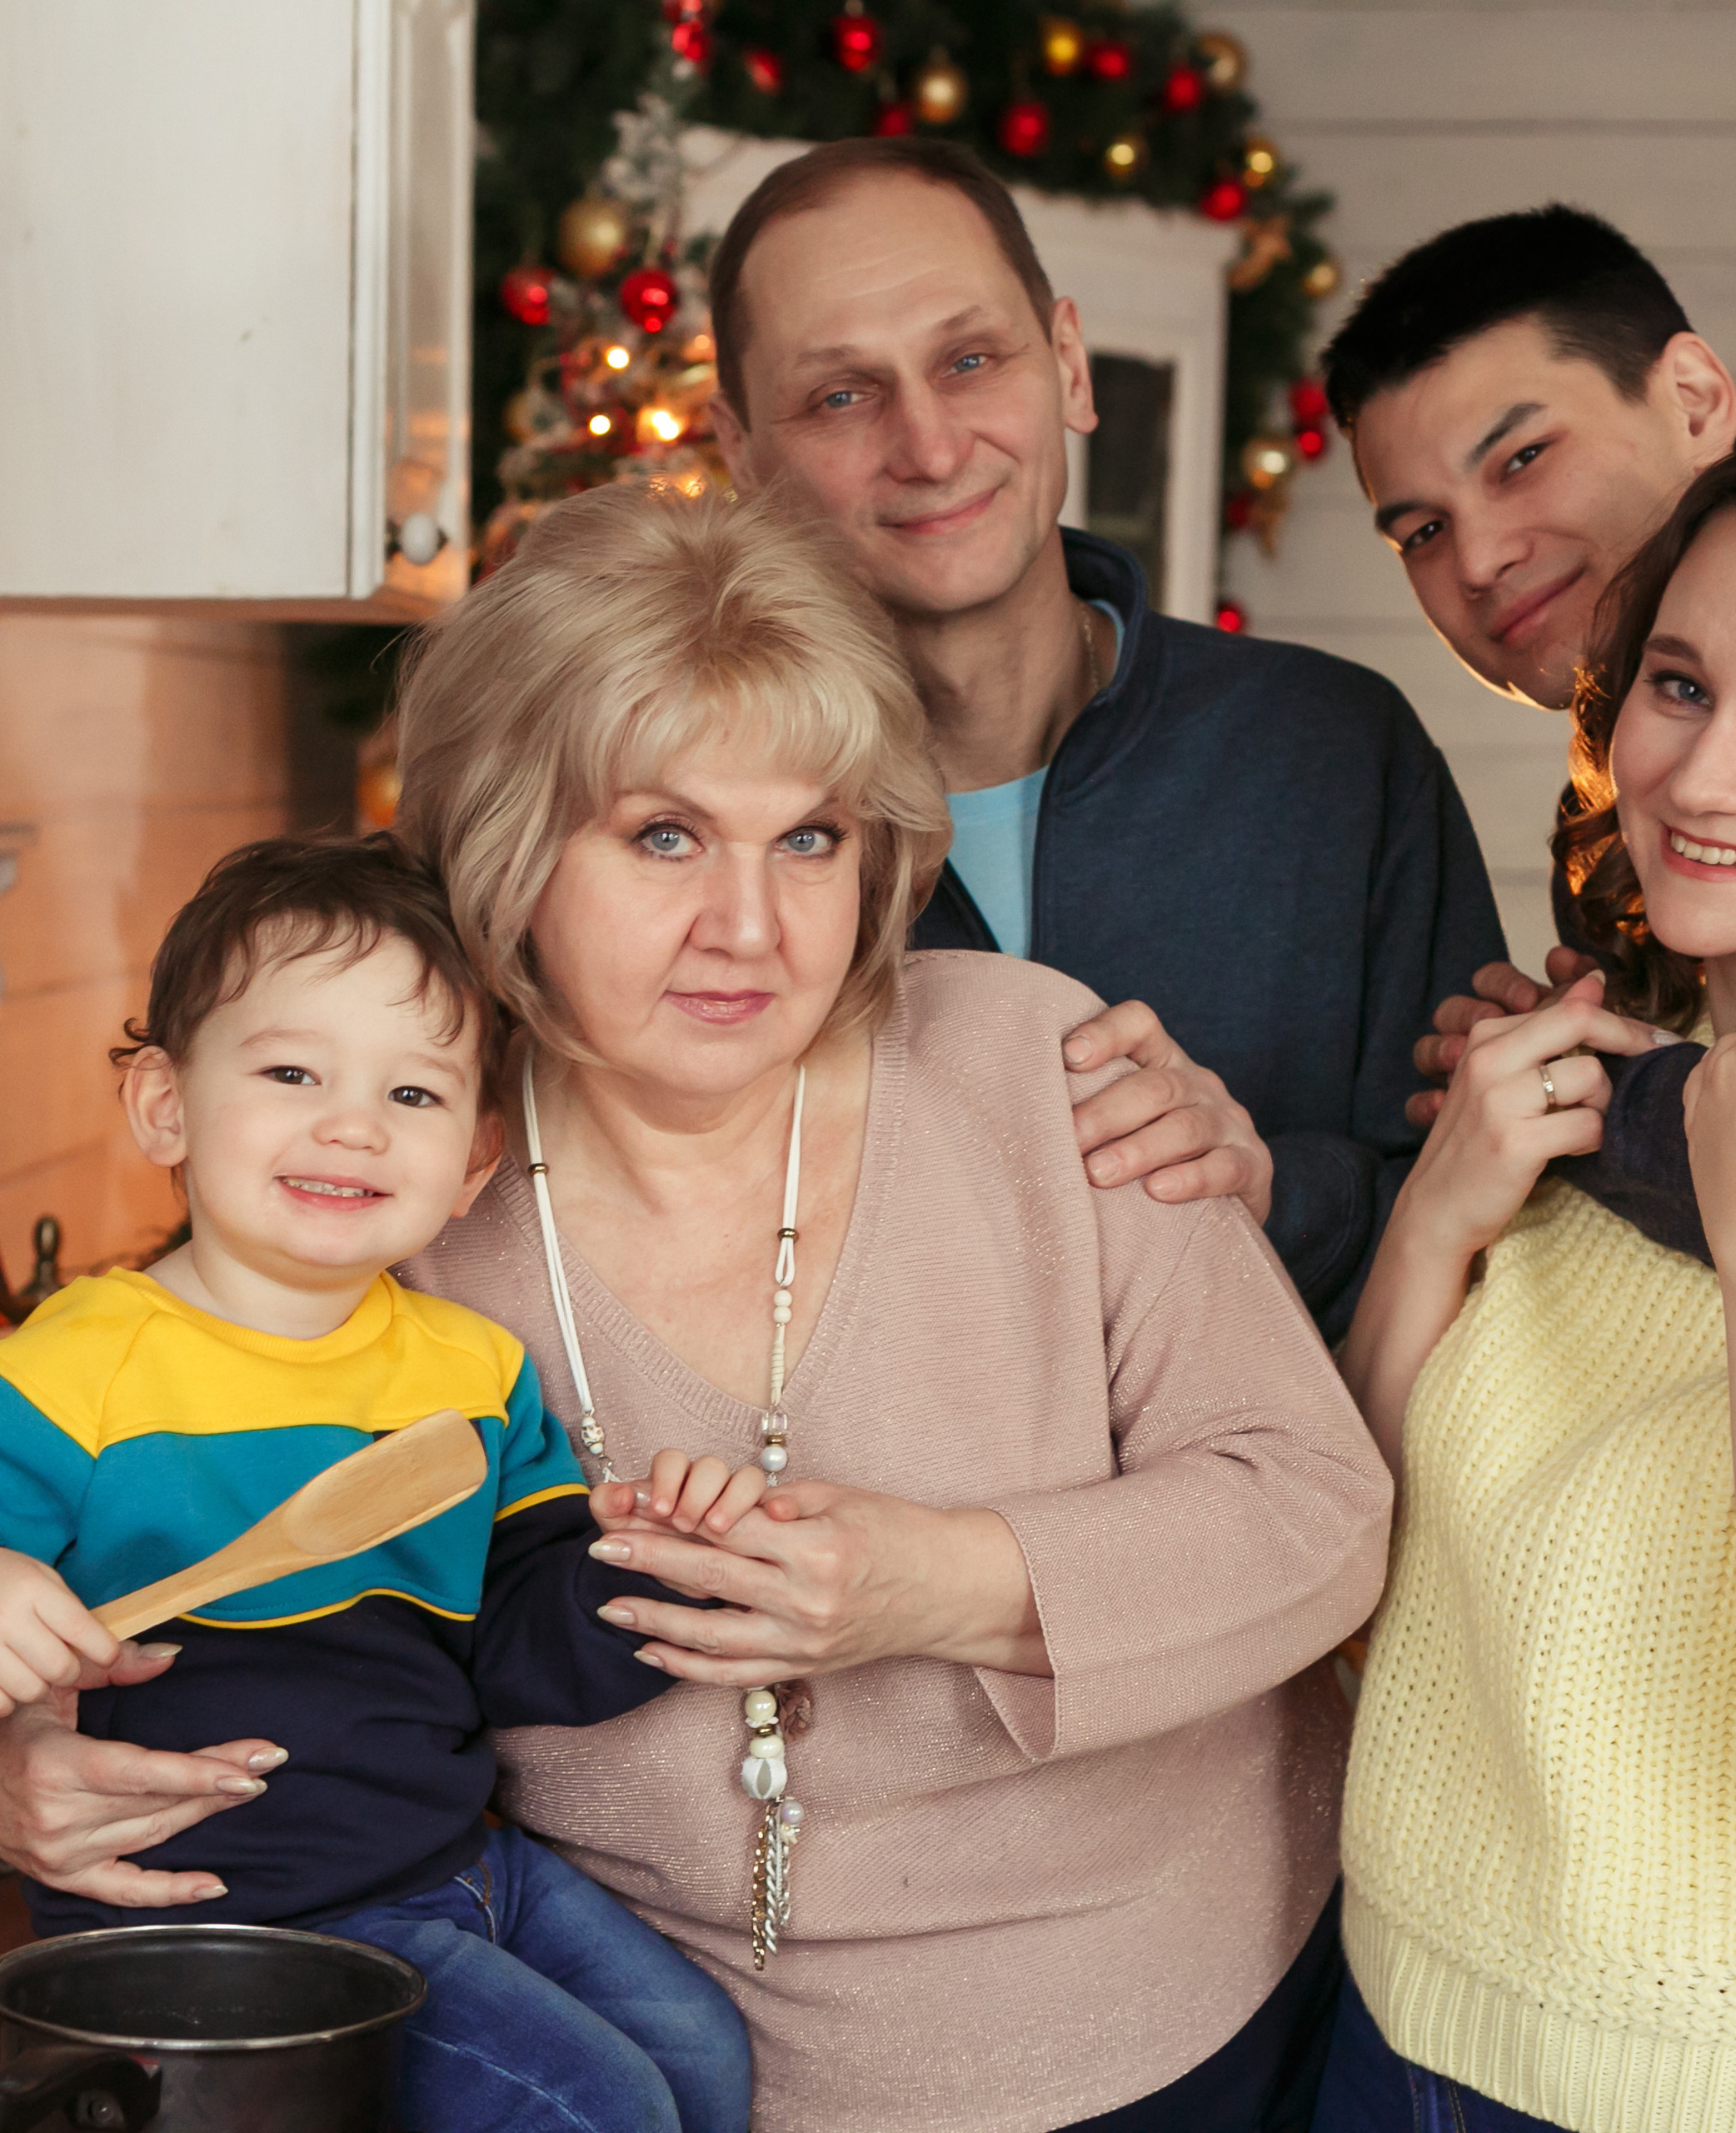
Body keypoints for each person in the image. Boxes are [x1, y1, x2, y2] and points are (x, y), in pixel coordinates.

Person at [0, 482, 1394, 2133]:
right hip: (619, 2048)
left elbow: (1317, 1509)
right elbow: (159, 1579)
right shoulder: (382, 1182)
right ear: (508, 847)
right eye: (662, 833)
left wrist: (938, 1579)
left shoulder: (1034, 1067)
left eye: (809, 836)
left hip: (1162, 2012)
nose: (748, 926)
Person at [0, 838, 754, 2133]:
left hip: (456, 1862)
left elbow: (522, 1641)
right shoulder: (73, 1368)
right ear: (165, 1108)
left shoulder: (472, 1374)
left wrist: (652, 1572)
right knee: (604, 2109)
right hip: (234, 1925)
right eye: (292, 1072)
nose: (352, 1124)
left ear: (476, 1158)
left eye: (414, 1096)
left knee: (698, 2059)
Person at [704, 137, 1508, 1337]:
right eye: (841, 396)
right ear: (741, 457)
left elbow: (1497, 1225)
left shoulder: (1336, 755)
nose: (928, 446)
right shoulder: (692, 823)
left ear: (1069, 367)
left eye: (971, 359)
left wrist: (1269, 1186)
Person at [1316, 455, 1736, 2132]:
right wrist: (1436, 1218)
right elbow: (1336, 1593)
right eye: (1679, 684)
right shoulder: (1594, 1084)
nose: (1702, 774)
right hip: (1392, 2018)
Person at [1319, 205, 1736, 1116]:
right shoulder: (1611, 818)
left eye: (1522, 458)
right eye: (1424, 531)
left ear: (1696, 400)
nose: (1475, 562)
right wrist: (1587, 1053)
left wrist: (1619, 1106)